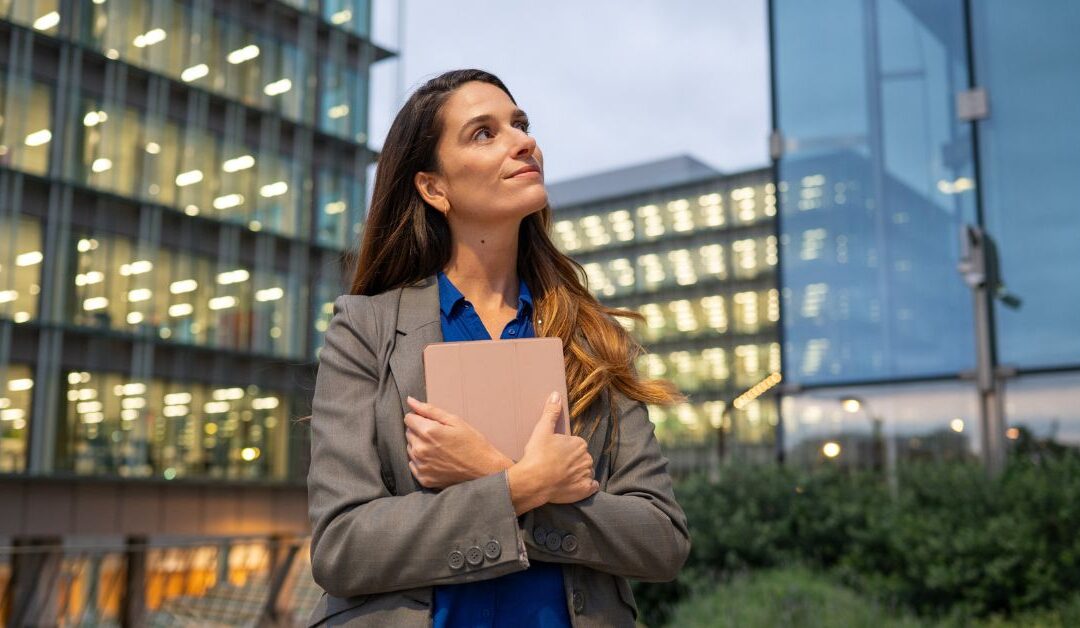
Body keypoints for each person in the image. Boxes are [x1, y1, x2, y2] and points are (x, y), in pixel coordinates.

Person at [306, 68, 690, 628]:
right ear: (434, 188)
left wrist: (491, 472)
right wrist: (521, 484)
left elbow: (661, 539)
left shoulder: (590, 340)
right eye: (484, 133)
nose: (523, 140)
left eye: (520, 124)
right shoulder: (365, 329)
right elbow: (341, 547)